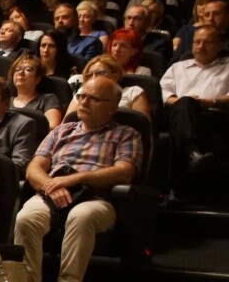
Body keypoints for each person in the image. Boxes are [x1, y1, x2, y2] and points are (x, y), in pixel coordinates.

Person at [14, 77, 142, 282]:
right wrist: (51, 186)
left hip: (97, 198)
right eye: (82, 96)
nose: (83, 102)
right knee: (26, 218)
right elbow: (34, 168)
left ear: (112, 106)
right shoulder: (61, 131)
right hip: (52, 194)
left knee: (80, 217)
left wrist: (76, 179)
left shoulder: (126, 134)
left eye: (93, 99)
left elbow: (125, 171)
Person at [160, 25, 229, 176]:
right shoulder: (177, 67)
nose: (201, 46)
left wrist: (211, 102)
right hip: (178, 113)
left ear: (219, 45)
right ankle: (192, 154)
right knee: (185, 104)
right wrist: (184, 102)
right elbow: (164, 93)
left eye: (208, 42)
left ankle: (191, 153)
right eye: (197, 42)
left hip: (213, 116)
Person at [65, 55, 151, 119]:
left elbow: (144, 128)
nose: (94, 78)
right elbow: (67, 121)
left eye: (100, 73)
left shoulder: (134, 92)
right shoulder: (81, 94)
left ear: (115, 76)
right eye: (89, 75)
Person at [9, 54, 62, 129]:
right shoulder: (6, 102)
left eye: (28, 69)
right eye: (17, 69)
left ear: (37, 79)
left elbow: (53, 128)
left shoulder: (47, 99)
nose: (21, 73)